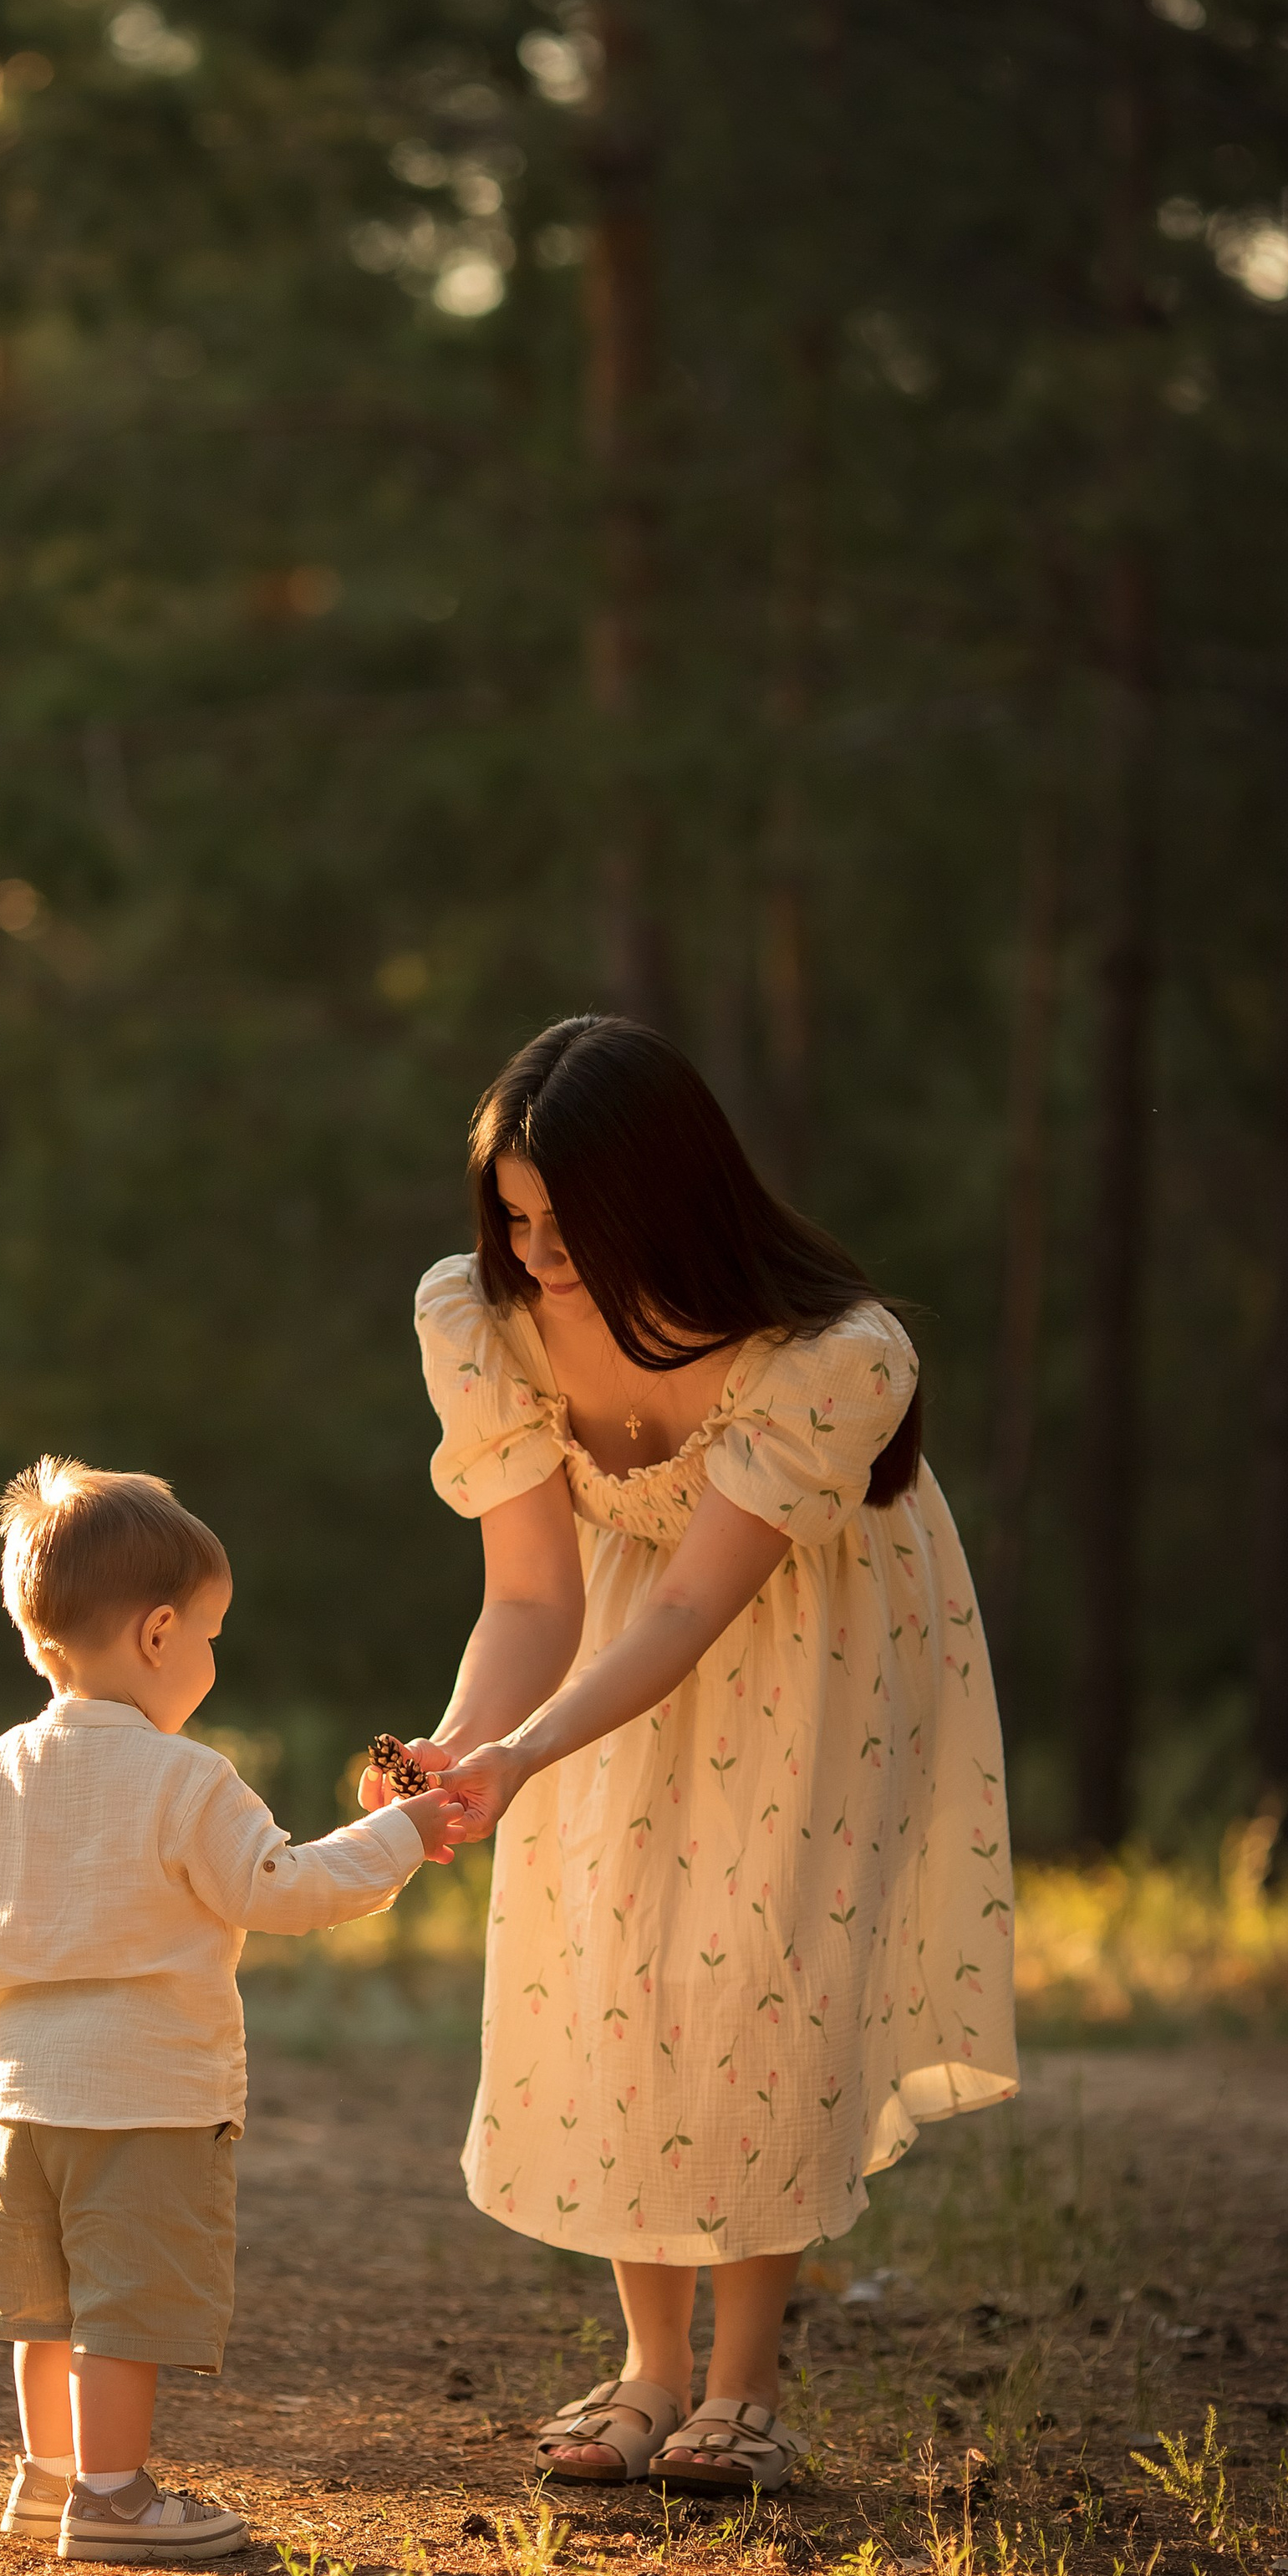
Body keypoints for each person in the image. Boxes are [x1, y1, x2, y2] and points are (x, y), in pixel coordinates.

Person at [365, 1017, 1017, 2496]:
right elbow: (533, 1594)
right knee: (611, 1954)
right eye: (513, 1216)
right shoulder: (484, 1320)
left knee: (751, 1959)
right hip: (608, 1641)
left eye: (563, 1219)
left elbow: (691, 1605)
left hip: (805, 1642)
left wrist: (527, 1752)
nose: (532, 1252)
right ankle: (650, 2371)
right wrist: (465, 1746)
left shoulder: (834, 1357)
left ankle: (744, 2382)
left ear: (661, 1195)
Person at [0, 1455, 464, 2564]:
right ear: (159, 1635)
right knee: (124, 2306)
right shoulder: (187, 1780)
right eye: (210, 1632)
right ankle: (111, 2500)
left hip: (17, 2102)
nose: (211, 1654)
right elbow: (283, 1887)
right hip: (146, 2098)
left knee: (49, 2303)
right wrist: (405, 1834)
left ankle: (48, 2477)